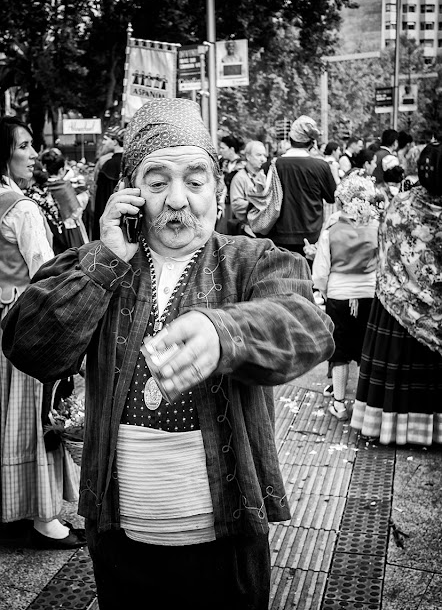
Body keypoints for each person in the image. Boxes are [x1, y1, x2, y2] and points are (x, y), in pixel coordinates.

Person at [2, 98, 335, 609]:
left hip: (225, 542)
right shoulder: (102, 264)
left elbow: (307, 326)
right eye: (158, 183)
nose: (178, 200)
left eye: (196, 180)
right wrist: (106, 259)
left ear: (218, 193)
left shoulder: (252, 262)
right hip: (119, 540)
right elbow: (29, 343)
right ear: (131, 194)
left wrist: (224, 331)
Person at [0, 116, 83, 549]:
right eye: (25, 146)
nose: (33, 154)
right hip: (21, 325)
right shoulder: (21, 208)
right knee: (31, 420)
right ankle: (42, 518)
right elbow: (46, 275)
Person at [350, 140, 442, 446]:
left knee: (399, 377)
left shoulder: (401, 205)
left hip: (396, 306)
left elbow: (386, 248)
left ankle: (391, 429)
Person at [312, 172, 379, 421]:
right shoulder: (377, 226)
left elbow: (320, 270)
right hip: (369, 293)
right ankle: (364, 402)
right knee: (366, 350)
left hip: (339, 295)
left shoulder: (332, 229)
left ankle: (339, 404)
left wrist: (325, 292)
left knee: (339, 351)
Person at [266, 115, 336, 258]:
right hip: (311, 236)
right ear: (312, 142)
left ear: (291, 139)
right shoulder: (321, 166)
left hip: (279, 234)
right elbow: (331, 197)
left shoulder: (274, 164)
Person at [40, 149, 89, 248]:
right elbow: (76, 210)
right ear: (61, 170)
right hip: (69, 229)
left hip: (49, 229)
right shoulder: (65, 186)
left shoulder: (42, 187)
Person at [92, 126, 125, 240]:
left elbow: (101, 201)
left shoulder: (108, 165)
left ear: (115, 142)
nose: (104, 142)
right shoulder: (131, 163)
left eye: (107, 139)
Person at [230, 140, 267, 236]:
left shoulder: (266, 176)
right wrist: (257, 204)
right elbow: (236, 205)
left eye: (264, 155)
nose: (263, 159)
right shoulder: (239, 178)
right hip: (247, 231)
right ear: (248, 157)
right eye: (259, 155)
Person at [216, 134, 244, 234]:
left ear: (231, 149)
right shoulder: (222, 163)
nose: (221, 150)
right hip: (224, 204)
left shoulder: (243, 165)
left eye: (223, 148)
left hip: (237, 204)